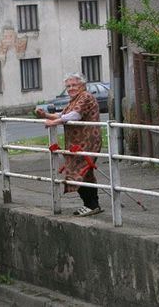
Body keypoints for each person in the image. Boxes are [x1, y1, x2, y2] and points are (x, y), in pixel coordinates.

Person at [35, 72, 102, 217]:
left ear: (82, 85)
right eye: (68, 86)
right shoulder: (74, 99)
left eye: (74, 85)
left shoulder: (85, 97)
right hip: (77, 143)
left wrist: (53, 122)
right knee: (85, 173)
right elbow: (62, 115)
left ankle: (91, 205)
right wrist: (46, 115)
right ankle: (92, 204)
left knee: (79, 172)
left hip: (87, 141)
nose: (71, 88)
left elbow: (74, 116)